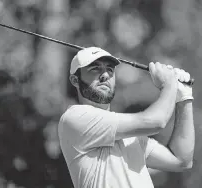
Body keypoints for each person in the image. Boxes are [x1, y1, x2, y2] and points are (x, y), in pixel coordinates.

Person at [58, 47, 195, 188]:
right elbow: (157, 122)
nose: (105, 75)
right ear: (75, 80)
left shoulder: (129, 135)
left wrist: (184, 98)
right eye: (95, 69)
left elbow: (181, 161)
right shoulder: (75, 117)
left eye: (110, 69)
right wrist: (169, 84)